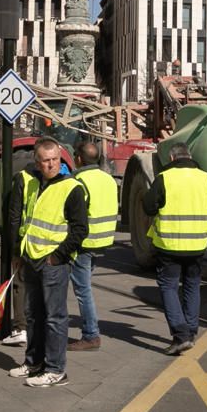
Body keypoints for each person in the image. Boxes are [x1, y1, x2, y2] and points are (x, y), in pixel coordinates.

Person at [6, 137, 88, 387]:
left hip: (53, 262)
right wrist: (20, 253)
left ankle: (56, 369)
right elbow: (26, 220)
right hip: (32, 257)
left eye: (55, 160)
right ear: (37, 162)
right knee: (34, 315)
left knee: (55, 318)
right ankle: (34, 363)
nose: (51, 164)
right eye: (46, 160)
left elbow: (80, 229)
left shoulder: (71, 187)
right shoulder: (34, 184)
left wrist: (57, 256)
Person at [142, 145, 207, 354]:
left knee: (169, 287)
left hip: (170, 244)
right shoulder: (205, 177)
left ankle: (181, 335)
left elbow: (148, 206)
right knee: (193, 285)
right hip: (198, 244)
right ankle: (191, 331)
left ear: (172, 157)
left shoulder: (165, 177)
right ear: (190, 157)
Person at [69, 139, 118, 351]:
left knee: (83, 289)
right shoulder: (107, 179)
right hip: (103, 239)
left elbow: (73, 214)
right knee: (85, 285)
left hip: (84, 241)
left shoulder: (78, 180)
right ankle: (90, 333)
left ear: (78, 159)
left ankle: (91, 335)